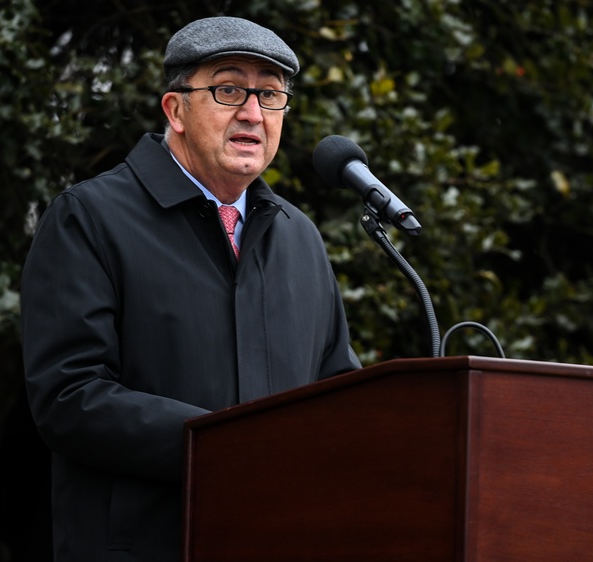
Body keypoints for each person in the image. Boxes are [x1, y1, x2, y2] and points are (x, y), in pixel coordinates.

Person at [21, 16, 362, 561]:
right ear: (175, 110)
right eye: (229, 89)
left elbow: (339, 393)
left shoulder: (301, 240)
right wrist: (228, 446)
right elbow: (69, 396)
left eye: (270, 96)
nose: (252, 112)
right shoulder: (89, 218)